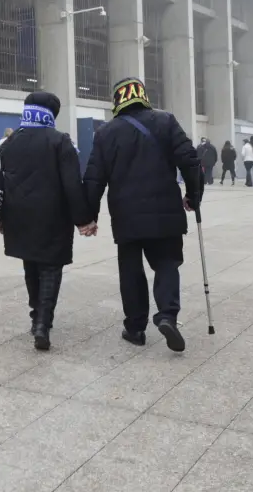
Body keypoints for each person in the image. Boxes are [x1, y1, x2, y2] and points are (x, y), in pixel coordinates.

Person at [83, 77, 200, 352]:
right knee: (167, 263)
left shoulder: (105, 133)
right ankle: (168, 315)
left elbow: (93, 179)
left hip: (127, 215)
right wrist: (194, 196)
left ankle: (135, 329)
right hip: (166, 213)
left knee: (131, 271)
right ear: (142, 96)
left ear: (117, 101)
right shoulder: (166, 121)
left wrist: (88, 216)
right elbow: (190, 161)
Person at [0, 92, 96, 351]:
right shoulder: (60, 141)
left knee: (30, 265)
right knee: (51, 268)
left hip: (18, 215)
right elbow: (73, 185)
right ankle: (43, 323)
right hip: (53, 216)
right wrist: (84, 219)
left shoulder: (9, 143)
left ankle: (35, 318)